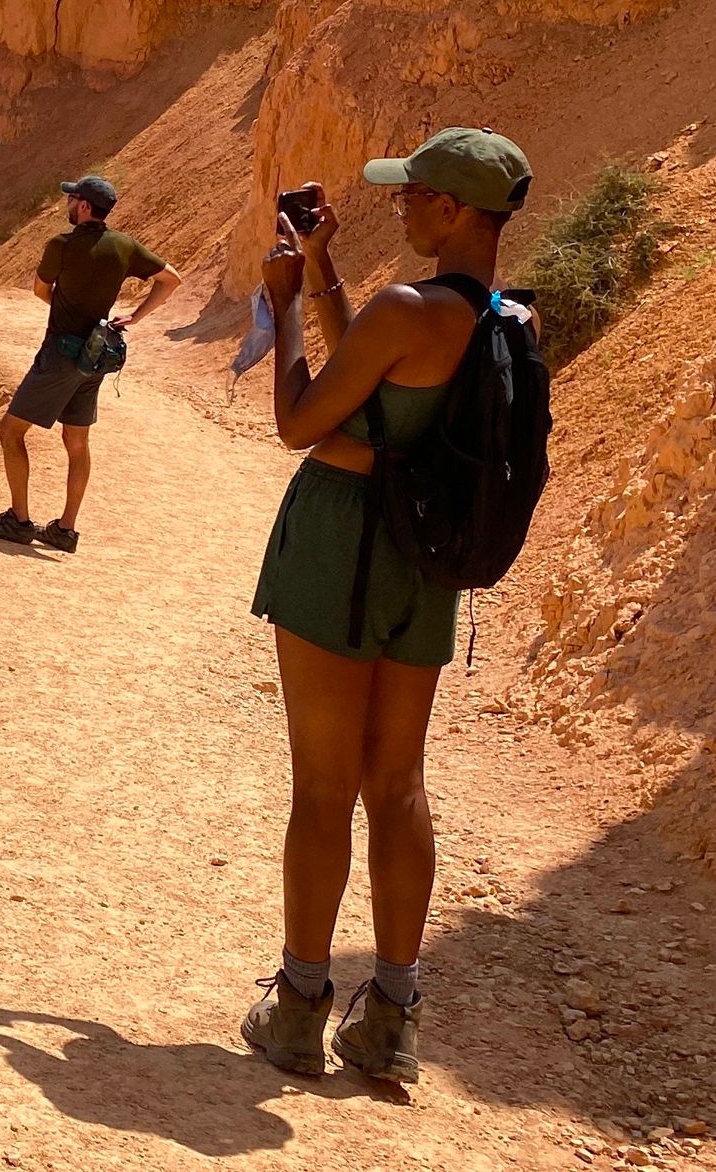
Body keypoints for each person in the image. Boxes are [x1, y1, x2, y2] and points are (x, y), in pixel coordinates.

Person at [239, 127, 534, 1084]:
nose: (400, 206)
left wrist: (283, 307)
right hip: (424, 565)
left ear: (450, 211)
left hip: (342, 550)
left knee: (322, 787)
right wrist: (323, 271)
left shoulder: (403, 308)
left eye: (412, 196)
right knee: (397, 785)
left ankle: (298, 1007)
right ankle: (393, 1017)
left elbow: (299, 421)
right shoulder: (506, 321)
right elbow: (380, 390)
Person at [0, 175, 181, 553]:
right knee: (77, 439)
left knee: (10, 430)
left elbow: (40, 290)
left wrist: (64, 303)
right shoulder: (124, 246)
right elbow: (171, 280)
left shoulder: (61, 245)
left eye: (72, 199)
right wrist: (135, 317)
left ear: (84, 206)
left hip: (61, 354)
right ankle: (65, 529)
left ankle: (19, 520)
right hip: (96, 355)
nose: (67, 204)